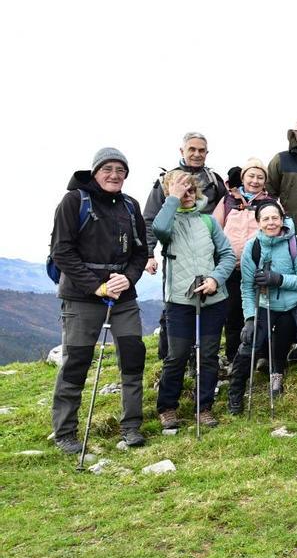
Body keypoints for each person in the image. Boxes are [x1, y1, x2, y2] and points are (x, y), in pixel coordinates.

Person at [49, 148, 150, 453]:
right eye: (108, 169)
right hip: (81, 297)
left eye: (121, 170)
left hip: (123, 297)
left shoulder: (130, 206)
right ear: (95, 172)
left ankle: (131, 427)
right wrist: (97, 287)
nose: (114, 175)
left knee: (132, 357)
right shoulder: (74, 201)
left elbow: (140, 252)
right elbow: (61, 251)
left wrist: (128, 278)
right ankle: (65, 432)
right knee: (76, 362)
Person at [150, 170, 236, 428]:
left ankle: (204, 407)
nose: (187, 194)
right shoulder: (168, 221)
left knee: (208, 355)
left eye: (190, 188)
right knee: (176, 355)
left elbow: (227, 255)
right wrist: (173, 199)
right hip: (179, 301)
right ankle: (167, 407)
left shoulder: (208, 222)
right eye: (180, 189)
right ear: (169, 193)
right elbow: (159, 229)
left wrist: (215, 280)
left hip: (213, 299)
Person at [227, 201, 297, 411]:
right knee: (250, 340)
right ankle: (235, 393)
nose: (271, 223)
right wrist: (250, 318)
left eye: (275, 218)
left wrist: (278, 279)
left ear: (282, 219)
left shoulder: (295, 242)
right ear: (258, 222)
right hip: (265, 302)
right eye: (266, 219)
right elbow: (247, 287)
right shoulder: (253, 247)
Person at [213, 157, 274, 366]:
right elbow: (215, 229)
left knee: (261, 310)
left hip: (259, 268)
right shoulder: (228, 200)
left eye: (260, 177)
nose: (255, 181)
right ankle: (234, 357)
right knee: (233, 313)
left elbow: (277, 230)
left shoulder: (270, 203)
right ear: (243, 177)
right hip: (231, 267)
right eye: (251, 176)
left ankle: (261, 355)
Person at [143, 132, 227, 277]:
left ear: (207, 153)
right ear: (182, 151)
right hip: (177, 255)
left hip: (210, 255)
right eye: (192, 149)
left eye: (201, 150)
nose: (197, 154)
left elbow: (227, 214)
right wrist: (149, 254)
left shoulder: (215, 181)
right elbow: (150, 218)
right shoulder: (165, 181)